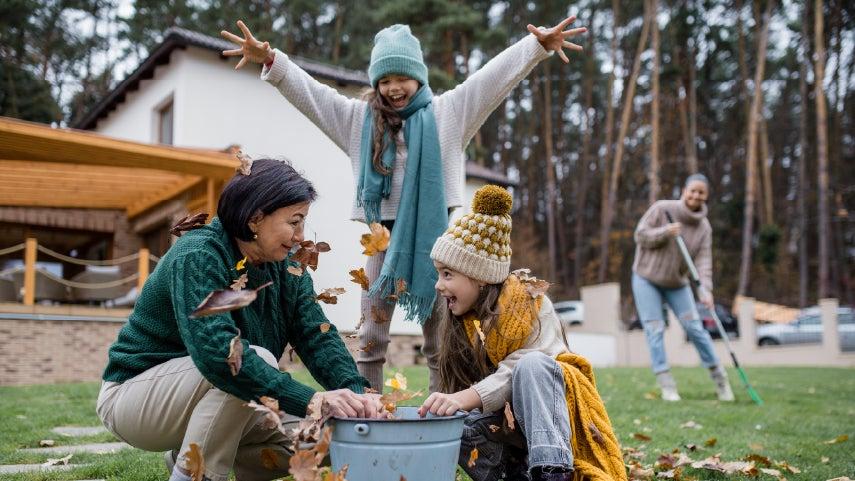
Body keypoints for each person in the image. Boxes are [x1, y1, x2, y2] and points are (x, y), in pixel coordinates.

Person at [220, 17, 587, 391]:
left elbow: (490, 80)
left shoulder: (449, 114)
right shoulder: (357, 121)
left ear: (419, 77)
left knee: (439, 344)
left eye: (401, 77)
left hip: (436, 244)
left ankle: (440, 413)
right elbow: (313, 95)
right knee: (371, 340)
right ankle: (369, 410)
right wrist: (271, 60)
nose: (393, 87)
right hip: (382, 241)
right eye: (384, 80)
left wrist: (536, 47)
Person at [96, 159, 383, 481]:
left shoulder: (289, 267)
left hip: (219, 398)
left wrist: (358, 396)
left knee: (330, 437)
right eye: (294, 221)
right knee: (243, 358)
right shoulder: (199, 254)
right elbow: (219, 353)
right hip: (135, 400)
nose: (301, 236)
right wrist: (313, 399)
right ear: (255, 217)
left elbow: (317, 336)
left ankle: (191, 451)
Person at [419, 185, 626, 481]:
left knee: (532, 366)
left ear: (479, 276)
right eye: (439, 273)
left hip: (553, 426)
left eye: (447, 274)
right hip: (510, 433)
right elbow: (451, 393)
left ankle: (552, 472)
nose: (439, 285)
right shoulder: (461, 323)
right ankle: (513, 475)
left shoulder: (532, 306)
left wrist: (469, 396)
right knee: (456, 425)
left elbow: (521, 369)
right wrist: (438, 413)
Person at [631, 173, 735, 402]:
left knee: (695, 328)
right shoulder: (662, 209)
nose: (696, 196)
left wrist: (705, 289)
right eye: (692, 191)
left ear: (706, 197)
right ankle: (666, 384)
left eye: (701, 193)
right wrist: (665, 232)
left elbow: (704, 262)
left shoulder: (704, 228)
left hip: (677, 283)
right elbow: (640, 236)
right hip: (646, 278)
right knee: (655, 328)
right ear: (684, 191)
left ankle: (720, 379)